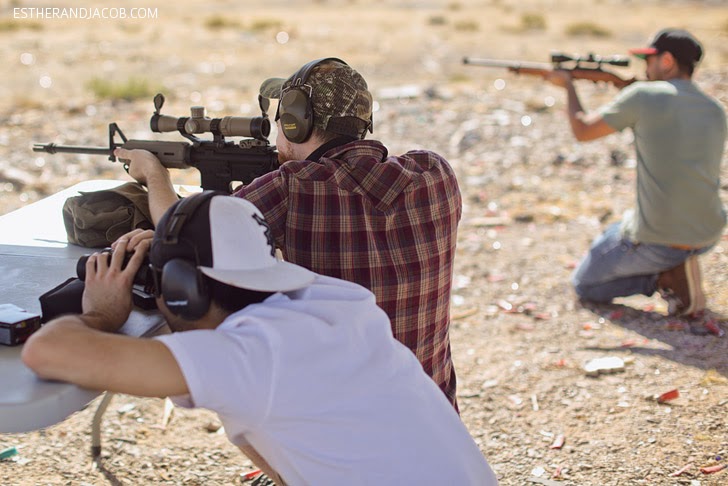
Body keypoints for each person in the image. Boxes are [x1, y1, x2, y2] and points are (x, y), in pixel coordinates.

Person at [22, 193, 497, 485]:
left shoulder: (248, 359)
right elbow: (267, 434)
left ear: (183, 292)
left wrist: (103, 312)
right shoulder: (336, 300)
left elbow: (47, 350)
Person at [114, 57, 462, 408]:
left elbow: (177, 231)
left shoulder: (292, 188)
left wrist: (154, 174)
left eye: (281, 120)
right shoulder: (435, 174)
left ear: (297, 124)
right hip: (433, 413)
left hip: (341, 421)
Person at [546, 28, 726, 317]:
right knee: (614, 230)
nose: (645, 67)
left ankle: (666, 277)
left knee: (584, 285)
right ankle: (676, 264)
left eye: (649, 60)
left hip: (661, 240)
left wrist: (568, 85)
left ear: (666, 61)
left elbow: (582, 130)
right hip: (709, 232)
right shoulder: (715, 109)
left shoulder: (642, 95)